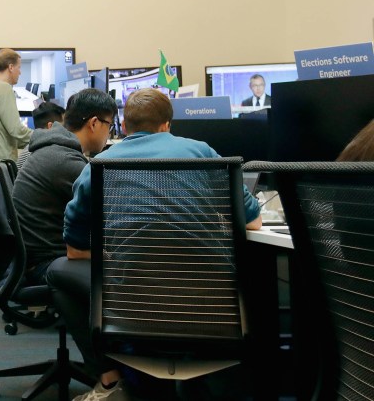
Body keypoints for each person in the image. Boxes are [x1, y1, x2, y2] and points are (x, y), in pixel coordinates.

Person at [48, 88, 262, 401]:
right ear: (166, 126)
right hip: (212, 313)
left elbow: (75, 252)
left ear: (124, 127)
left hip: (132, 313)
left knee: (59, 272)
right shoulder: (201, 152)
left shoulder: (97, 166)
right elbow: (253, 222)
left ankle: (112, 379)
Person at [13, 89, 116, 286]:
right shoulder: (66, 162)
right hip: (46, 265)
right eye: (109, 126)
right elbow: (110, 213)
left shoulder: (52, 149)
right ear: (94, 123)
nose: (109, 134)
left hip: (32, 260)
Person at [16, 101, 66, 170]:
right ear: (51, 127)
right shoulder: (45, 153)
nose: (66, 131)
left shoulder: (32, 147)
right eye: (63, 126)